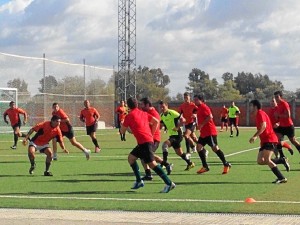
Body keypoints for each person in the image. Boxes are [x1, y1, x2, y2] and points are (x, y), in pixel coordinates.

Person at [120, 97, 175, 193]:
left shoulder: (129, 116)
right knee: (131, 158)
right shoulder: (143, 113)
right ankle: (138, 181)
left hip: (145, 142)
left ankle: (169, 183)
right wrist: (151, 134)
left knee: (152, 164)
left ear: (128, 106)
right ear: (137, 104)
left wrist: (123, 125)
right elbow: (156, 122)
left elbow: (122, 131)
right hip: (144, 142)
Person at [249, 99, 287, 184]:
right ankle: (281, 160)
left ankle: (281, 178)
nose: (250, 108)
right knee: (260, 161)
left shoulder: (260, 113)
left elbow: (263, 126)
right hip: (265, 141)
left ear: (255, 107)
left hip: (270, 139)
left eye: (251, 106)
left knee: (267, 159)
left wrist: (255, 136)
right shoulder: (258, 115)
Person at [193, 95, 231, 174]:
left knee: (215, 148)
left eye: (196, 100)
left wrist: (201, 125)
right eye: (194, 100)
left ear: (201, 100)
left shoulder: (204, 107)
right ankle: (205, 166)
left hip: (210, 132)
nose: (195, 101)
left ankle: (226, 164)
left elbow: (210, 117)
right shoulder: (198, 108)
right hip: (203, 133)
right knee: (198, 147)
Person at [139, 97, 173, 180]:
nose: (141, 106)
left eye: (142, 105)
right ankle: (164, 165)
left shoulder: (154, 114)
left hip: (153, 139)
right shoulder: (145, 112)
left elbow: (155, 125)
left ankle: (153, 173)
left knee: (146, 156)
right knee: (145, 156)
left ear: (147, 105)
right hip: (146, 138)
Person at [159, 100, 195, 171]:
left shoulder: (172, 113)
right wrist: (165, 128)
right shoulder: (162, 115)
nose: (162, 109)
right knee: (179, 153)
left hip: (178, 135)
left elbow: (183, 120)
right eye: (161, 107)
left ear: (167, 106)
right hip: (172, 135)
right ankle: (190, 163)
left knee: (164, 145)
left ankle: (164, 164)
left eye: (163, 107)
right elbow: (163, 123)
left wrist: (177, 127)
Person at [273, 91, 300, 158]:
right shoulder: (278, 105)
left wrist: (278, 115)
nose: (276, 99)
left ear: (281, 97)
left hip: (288, 126)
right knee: (277, 140)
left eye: (277, 97)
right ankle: (282, 157)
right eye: (275, 97)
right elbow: (279, 116)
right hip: (282, 126)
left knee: (293, 141)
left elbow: (288, 115)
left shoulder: (284, 104)